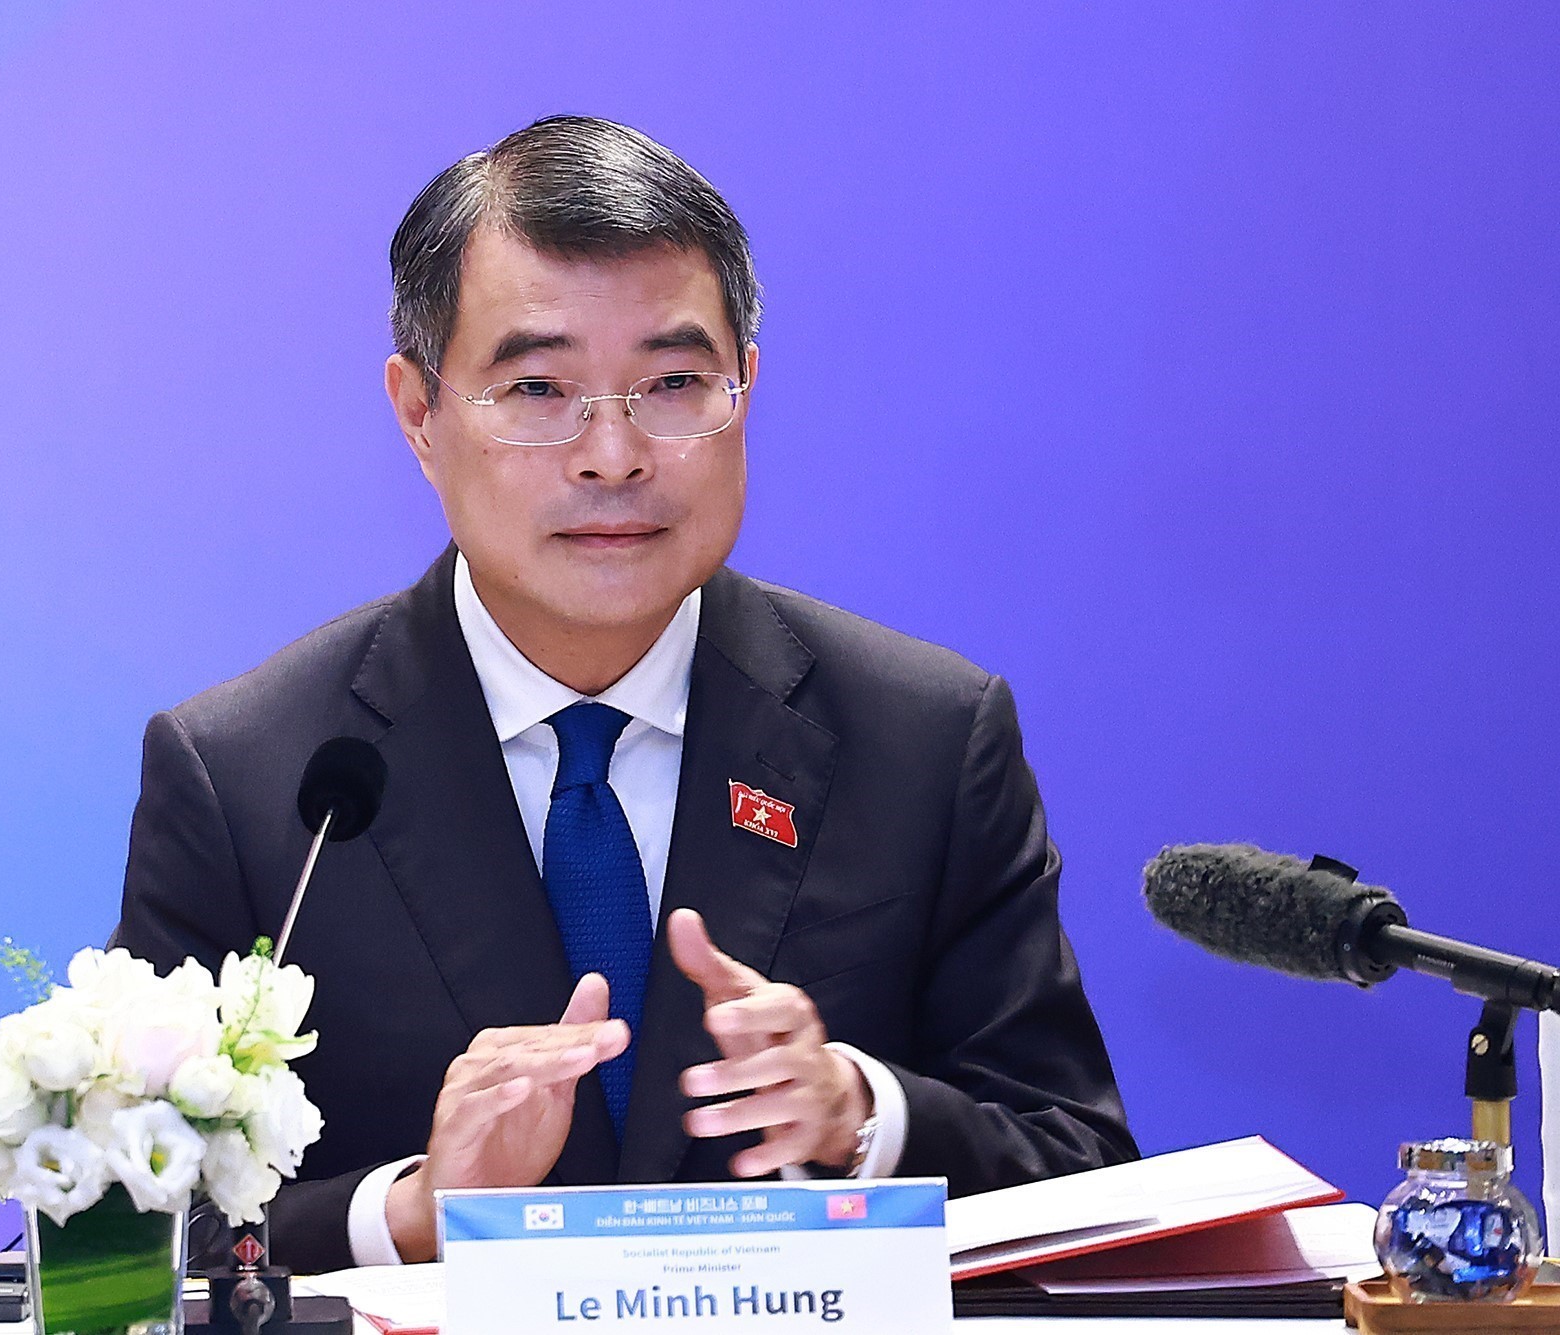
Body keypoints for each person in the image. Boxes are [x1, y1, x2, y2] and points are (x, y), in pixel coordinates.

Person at [112, 114, 1136, 1272]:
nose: (613, 455)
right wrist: (412, 1212)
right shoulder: (255, 777)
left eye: (673, 383)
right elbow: (127, 1235)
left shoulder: (923, 739)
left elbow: (1082, 1173)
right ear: (418, 412)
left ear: (746, 387)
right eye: (538, 387)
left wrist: (862, 1119)